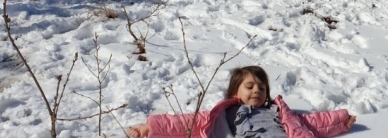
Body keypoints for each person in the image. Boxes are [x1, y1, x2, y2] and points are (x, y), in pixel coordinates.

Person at [127, 65, 356, 138]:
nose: (257, 90)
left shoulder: (281, 112)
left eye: (262, 87)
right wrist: (151, 127)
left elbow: (313, 123)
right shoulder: (222, 115)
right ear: (235, 91)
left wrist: (341, 120)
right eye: (250, 86)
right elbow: (185, 122)